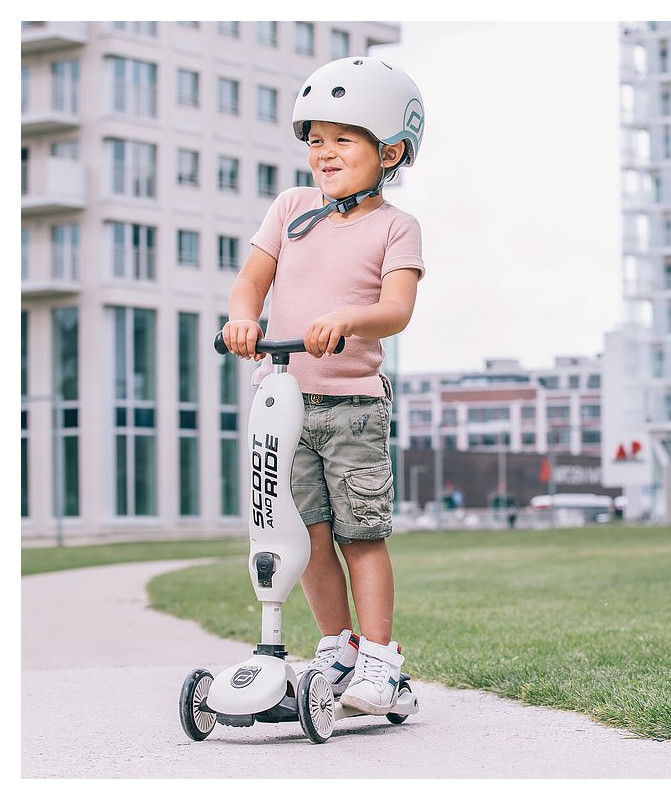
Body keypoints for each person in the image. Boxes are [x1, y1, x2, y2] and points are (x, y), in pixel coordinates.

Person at [221, 56, 425, 715]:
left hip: (353, 408)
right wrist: (242, 317)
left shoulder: (396, 227)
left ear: (390, 149)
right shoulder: (290, 209)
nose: (325, 153)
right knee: (302, 536)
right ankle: (335, 648)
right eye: (316, 140)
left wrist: (347, 318)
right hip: (281, 401)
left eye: (344, 138)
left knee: (359, 534)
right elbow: (252, 279)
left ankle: (378, 662)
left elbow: (396, 309)